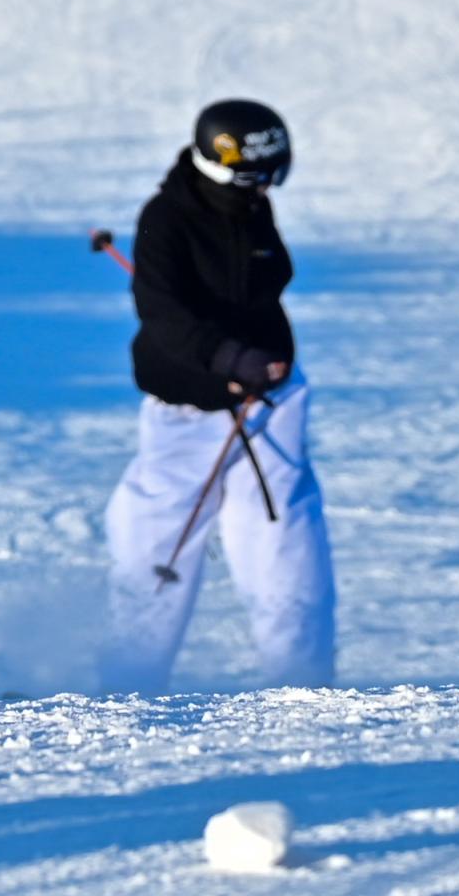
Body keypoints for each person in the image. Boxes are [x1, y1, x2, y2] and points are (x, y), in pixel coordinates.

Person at [98, 98, 335, 690]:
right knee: (158, 542)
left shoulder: (250, 207)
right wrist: (228, 358)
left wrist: (261, 361)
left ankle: (303, 685)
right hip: (188, 409)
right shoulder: (167, 219)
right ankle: (128, 684)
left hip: (270, 402)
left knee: (284, 542)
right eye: (260, 175)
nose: (268, 188)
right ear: (225, 165)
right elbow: (162, 316)